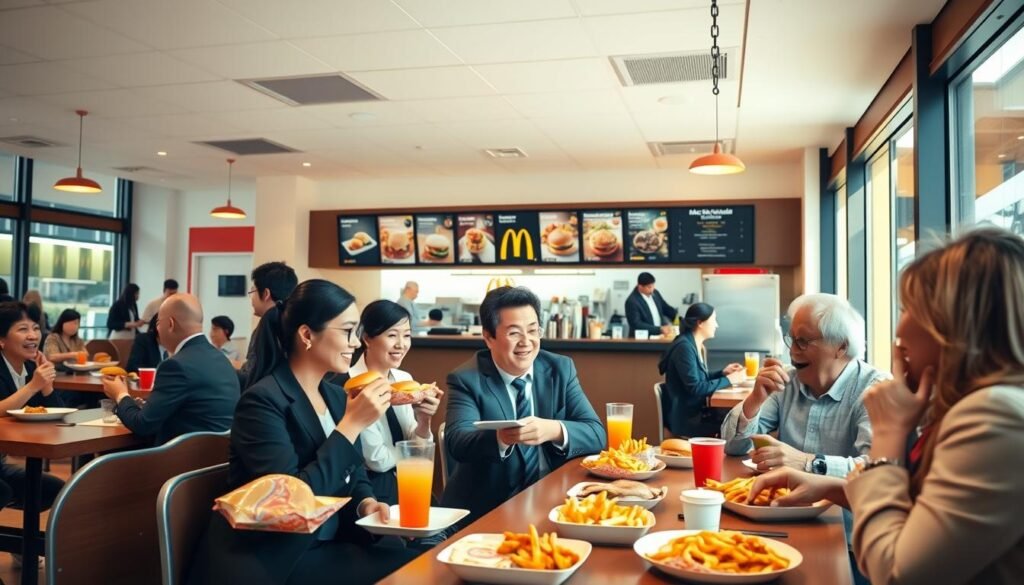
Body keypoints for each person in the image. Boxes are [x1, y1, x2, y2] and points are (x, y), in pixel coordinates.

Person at [747, 228, 1024, 585]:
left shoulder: (993, 418)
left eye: (911, 310)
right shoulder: (967, 407)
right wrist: (830, 488)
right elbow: (925, 513)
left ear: (958, 327)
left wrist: (890, 435)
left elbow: (895, 573)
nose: (900, 329)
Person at [186, 280, 419, 585]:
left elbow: (354, 473)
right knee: (416, 571)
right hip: (277, 557)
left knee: (424, 558)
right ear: (307, 335)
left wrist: (367, 503)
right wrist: (351, 426)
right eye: (347, 331)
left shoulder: (336, 396)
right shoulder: (262, 402)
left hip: (330, 542)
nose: (354, 343)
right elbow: (291, 505)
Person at [441, 286, 606, 522]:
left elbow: (596, 434)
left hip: (555, 502)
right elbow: (457, 440)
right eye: (514, 333)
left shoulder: (559, 369)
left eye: (533, 330)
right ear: (489, 337)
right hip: (489, 509)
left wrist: (554, 429)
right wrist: (501, 438)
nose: (526, 342)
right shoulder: (467, 379)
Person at [720, 293, 888, 476]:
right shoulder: (786, 382)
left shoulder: (876, 390)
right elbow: (732, 447)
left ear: (841, 347)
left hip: (841, 504)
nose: (792, 351)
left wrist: (807, 462)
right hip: (781, 501)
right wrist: (755, 400)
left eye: (802, 342)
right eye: (792, 340)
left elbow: (877, 469)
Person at [102, 294, 238, 444]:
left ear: (171, 324)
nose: (156, 329)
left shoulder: (175, 366)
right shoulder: (220, 359)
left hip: (180, 461)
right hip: (217, 459)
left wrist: (120, 394)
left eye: (158, 322)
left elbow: (142, 424)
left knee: (104, 460)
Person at [347, 300, 442, 504]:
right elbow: (377, 460)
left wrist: (424, 421)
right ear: (367, 339)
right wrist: (412, 452)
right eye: (392, 335)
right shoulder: (351, 385)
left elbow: (420, 448)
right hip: (372, 495)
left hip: (412, 485)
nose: (401, 344)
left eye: (406, 335)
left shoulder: (403, 379)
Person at [0, 302, 65, 538]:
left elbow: (57, 415)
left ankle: (21, 545)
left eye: (35, 328)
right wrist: (33, 386)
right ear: (2, 340)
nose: (32, 335)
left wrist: (46, 387)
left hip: (1, 463)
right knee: (2, 491)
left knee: (53, 489)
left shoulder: (30, 367)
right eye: (22, 329)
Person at [657, 303, 745, 437]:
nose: (717, 325)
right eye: (714, 320)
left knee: (736, 420)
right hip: (688, 420)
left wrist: (722, 373)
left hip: (697, 413)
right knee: (735, 425)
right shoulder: (684, 348)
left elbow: (698, 379)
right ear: (700, 323)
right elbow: (696, 388)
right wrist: (729, 380)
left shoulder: (693, 344)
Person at [239, 261, 298, 388]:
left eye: (252, 292)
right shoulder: (296, 323)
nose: (251, 298)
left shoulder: (266, 328)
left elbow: (251, 375)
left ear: (266, 294)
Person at [625, 272, 677, 337]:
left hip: (660, 337)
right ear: (640, 287)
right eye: (649, 287)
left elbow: (666, 308)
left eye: (653, 286)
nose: (652, 289)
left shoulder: (655, 293)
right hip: (643, 340)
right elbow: (636, 324)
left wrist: (678, 318)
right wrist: (659, 329)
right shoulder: (632, 301)